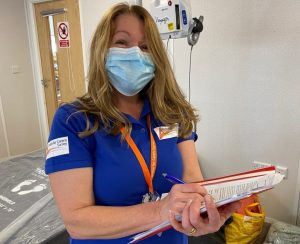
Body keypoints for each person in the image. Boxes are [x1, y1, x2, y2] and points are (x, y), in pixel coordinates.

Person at [45, 2, 240, 244]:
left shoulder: (173, 112)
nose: (136, 53)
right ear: (101, 51)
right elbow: (77, 222)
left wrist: (198, 220)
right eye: (122, 43)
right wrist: (159, 210)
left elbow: (192, 181)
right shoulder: (73, 120)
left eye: (146, 46)